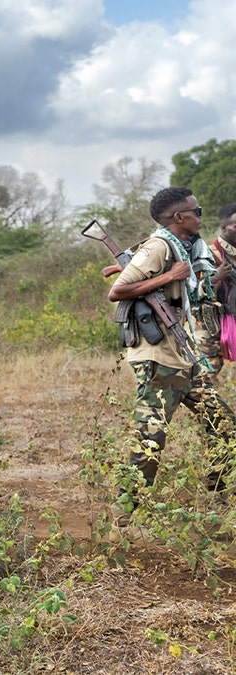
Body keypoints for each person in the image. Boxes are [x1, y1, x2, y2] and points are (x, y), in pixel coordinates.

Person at [107, 187, 236, 525]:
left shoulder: (186, 245)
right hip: (158, 357)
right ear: (179, 218)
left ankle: (219, 498)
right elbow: (117, 290)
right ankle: (124, 516)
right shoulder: (160, 246)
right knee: (151, 439)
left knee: (224, 426)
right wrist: (169, 276)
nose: (200, 216)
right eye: (197, 211)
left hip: (184, 354)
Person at [208, 203, 236, 376]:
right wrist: (215, 277)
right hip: (213, 320)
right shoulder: (210, 253)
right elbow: (192, 287)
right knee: (210, 370)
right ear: (223, 227)